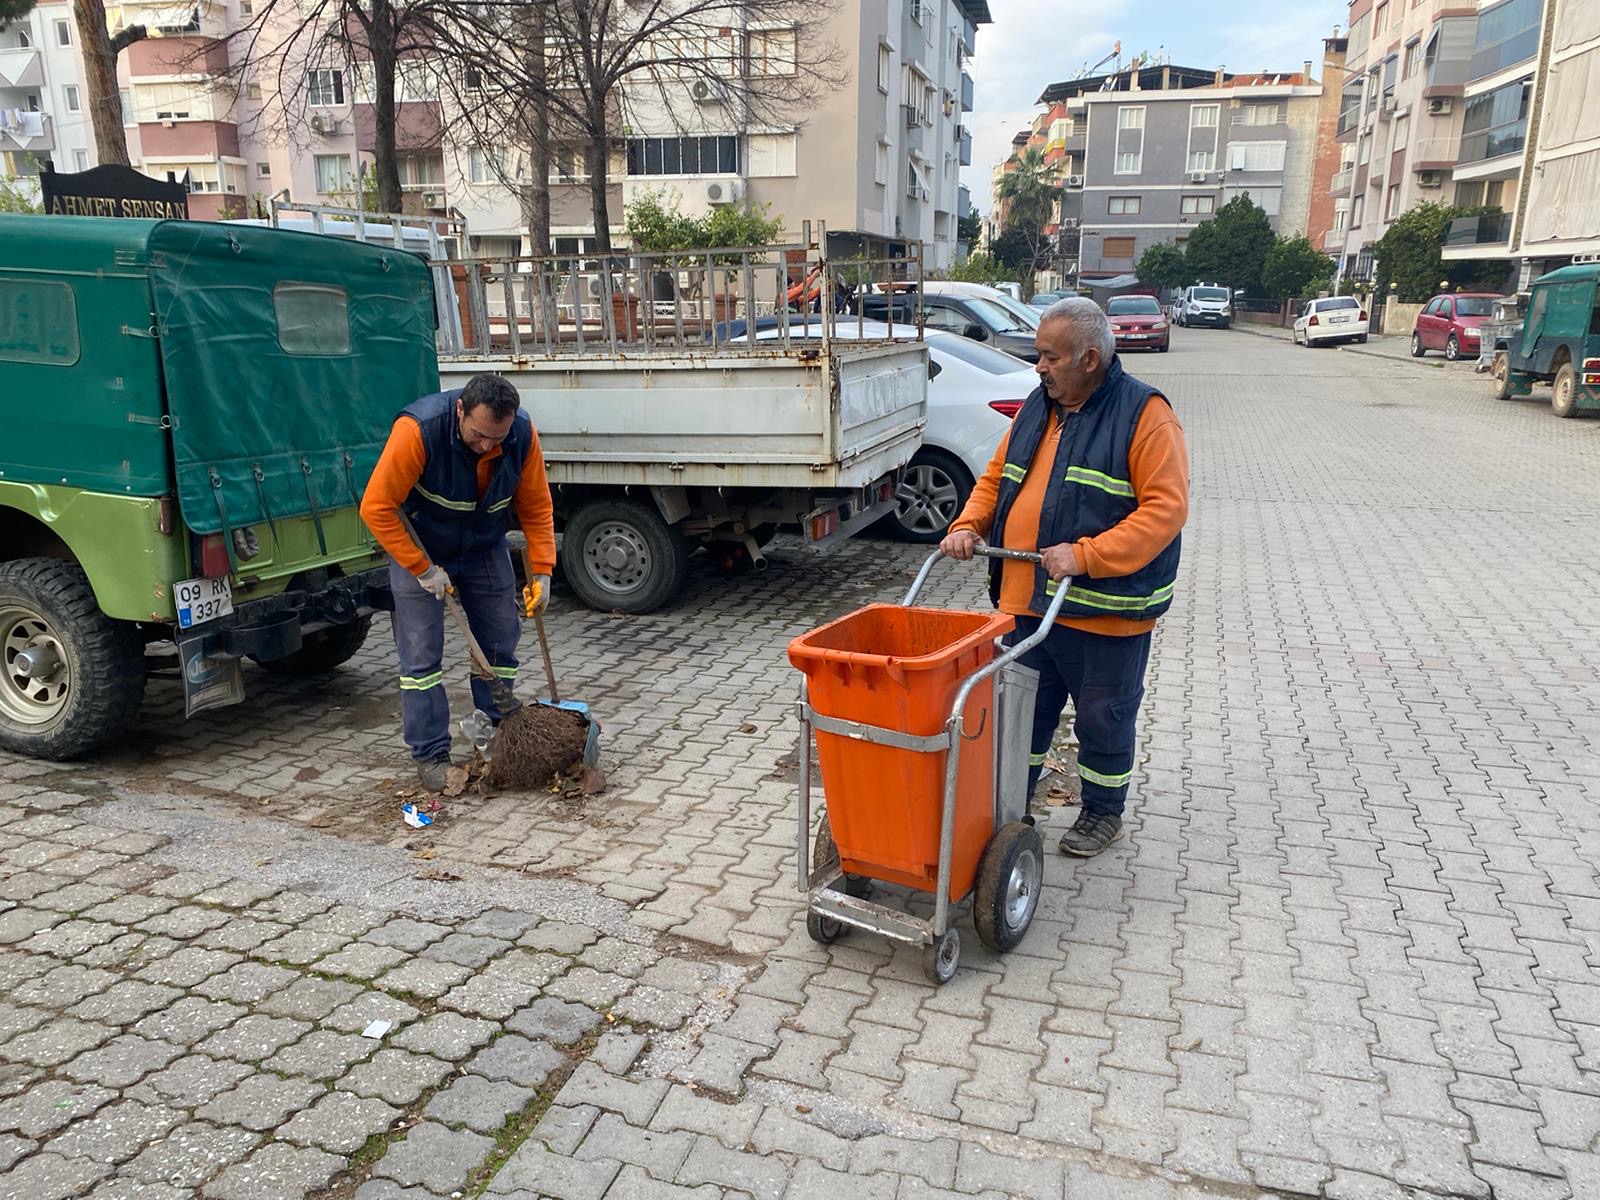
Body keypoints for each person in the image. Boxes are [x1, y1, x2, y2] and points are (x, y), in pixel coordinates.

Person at [940, 297, 1188, 856]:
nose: (1038, 366)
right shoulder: (1038, 405)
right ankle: (1010, 804)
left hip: (1103, 610)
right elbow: (997, 476)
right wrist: (967, 524)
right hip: (1028, 602)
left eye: (1050, 356)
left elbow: (1164, 510)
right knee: (1020, 713)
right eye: (1039, 355)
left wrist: (1087, 555)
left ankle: (1102, 813)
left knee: (1103, 715)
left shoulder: (1145, 415)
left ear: (1090, 358)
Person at [360, 374, 556, 792]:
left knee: (502, 641)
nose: (488, 445)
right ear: (460, 411)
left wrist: (542, 570)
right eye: (479, 435)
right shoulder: (418, 432)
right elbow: (376, 507)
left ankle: (499, 730)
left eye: (496, 439)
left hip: (483, 545)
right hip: (422, 547)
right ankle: (431, 754)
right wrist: (422, 568)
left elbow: (536, 505)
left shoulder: (521, 434)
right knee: (421, 659)